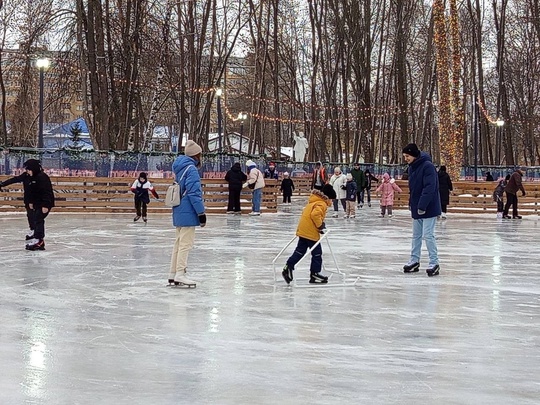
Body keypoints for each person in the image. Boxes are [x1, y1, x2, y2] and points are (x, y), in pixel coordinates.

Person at [168, 140, 207, 287]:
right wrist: (201, 212)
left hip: (178, 208)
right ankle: (180, 273)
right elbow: (194, 193)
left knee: (178, 243)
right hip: (188, 210)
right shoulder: (191, 170)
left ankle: (173, 273)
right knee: (185, 244)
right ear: (197, 155)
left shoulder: (179, 167)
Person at [282, 184, 337, 285]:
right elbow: (315, 215)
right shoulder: (322, 203)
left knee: (300, 251)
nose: (332, 202)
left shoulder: (314, 201)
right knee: (317, 253)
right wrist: (320, 226)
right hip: (310, 232)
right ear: (328, 197)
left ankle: (288, 266)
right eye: (332, 200)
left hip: (304, 229)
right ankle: (314, 274)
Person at [402, 143, 441, 277]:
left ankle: (434, 262)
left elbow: (430, 187)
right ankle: (414, 260)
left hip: (428, 206)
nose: (405, 158)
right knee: (416, 235)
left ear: (413, 154)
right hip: (417, 205)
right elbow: (414, 189)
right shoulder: (412, 167)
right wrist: (412, 203)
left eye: (407, 156)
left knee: (428, 235)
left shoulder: (427, 166)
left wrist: (422, 205)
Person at [22, 159, 55, 251]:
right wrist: (31, 202)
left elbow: (47, 192)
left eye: (29, 169)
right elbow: (33, 192)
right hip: (37, 203)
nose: (27, 172)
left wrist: (46, 205)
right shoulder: (33, 177)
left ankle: (39, 241)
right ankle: (38, 240)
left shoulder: (42, 177)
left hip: (44, 203)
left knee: (38, 220)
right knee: (36, 219)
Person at [0, 164, 38, 242]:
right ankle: (33, 230)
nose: (27, 171)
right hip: (28, 199)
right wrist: (2, 184)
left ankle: (38, 234)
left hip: (37, 199)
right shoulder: (25, 175)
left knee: (37, 216)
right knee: (30, 215)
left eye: (28, 170)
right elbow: (14, 179)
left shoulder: (39, 176)